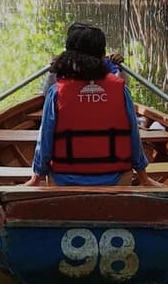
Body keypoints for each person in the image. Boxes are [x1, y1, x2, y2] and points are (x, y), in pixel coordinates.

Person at [28, 22, 159, 187]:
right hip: (116, 180)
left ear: (68, 54)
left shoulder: (56, 92)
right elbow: (133, 135)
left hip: (64, 181)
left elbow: (45, 139)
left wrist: (36, 178)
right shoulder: (120, 89)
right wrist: (143, 177)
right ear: (102, 55)